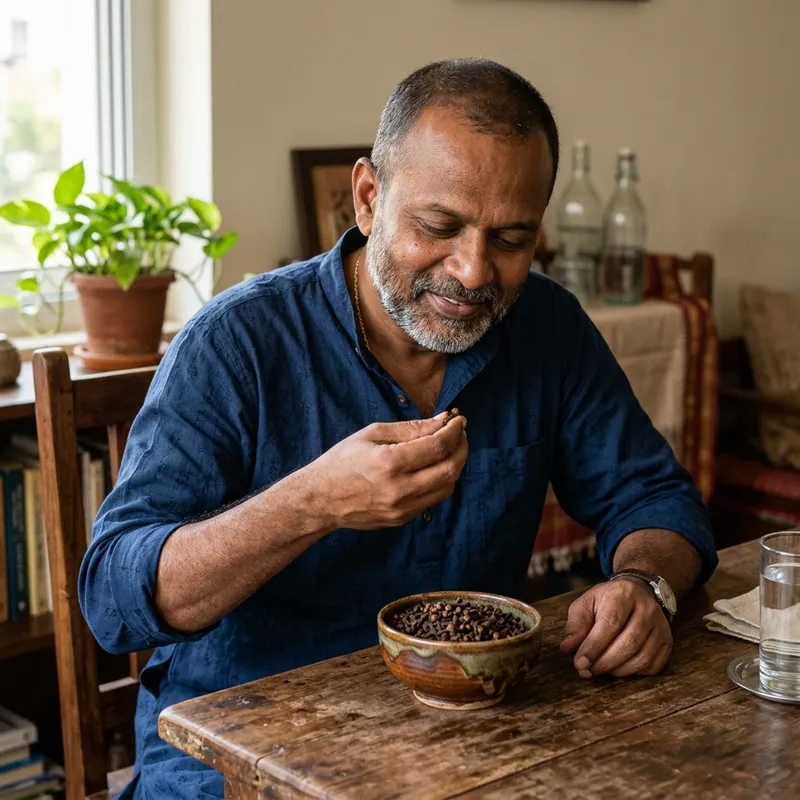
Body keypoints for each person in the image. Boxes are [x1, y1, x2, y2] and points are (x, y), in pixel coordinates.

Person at [79, 58, 718, 799]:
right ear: (367, 197)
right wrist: (310, 503)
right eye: (439, 226)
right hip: (237, 763)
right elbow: (113, 599)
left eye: (511, 239)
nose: (474, 271)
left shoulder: (547, 326)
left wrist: (646, 586)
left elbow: (655, 498)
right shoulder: (236, 343)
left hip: (470, 749)